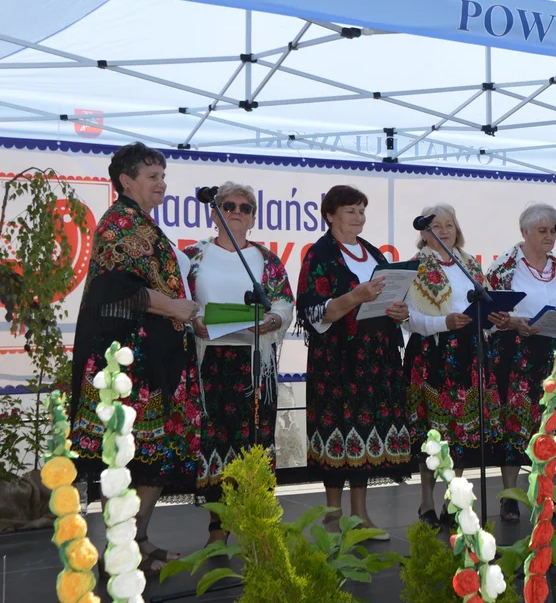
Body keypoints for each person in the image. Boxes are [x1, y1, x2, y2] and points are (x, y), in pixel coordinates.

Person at [69, 142, 201, 576]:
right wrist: (174, 307)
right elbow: (118, 290)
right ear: (126, 181)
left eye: (163, 175)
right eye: (152, 176)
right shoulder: (118, 225)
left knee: (151, 455)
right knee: (122, 458)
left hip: (152, 360)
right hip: (125, 362)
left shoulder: (142, 222)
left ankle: (139, 542)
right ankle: (120, 550)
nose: (162, 183)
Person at [296, 185, 412, 537]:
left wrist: (399, 309)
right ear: (330, 215)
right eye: (350, 210)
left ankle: (361, 516)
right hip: (337, 361)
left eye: (361, 210)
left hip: (376, 358)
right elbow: (313, 311)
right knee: (336, 434)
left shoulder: (373, 253)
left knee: (364, 435)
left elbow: (390, 296)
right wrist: (354, 296)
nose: (358, 217)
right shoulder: (319, 255)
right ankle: (333, 517)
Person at [185, 182, 294, 544]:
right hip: (209, 364)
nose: (236, 211)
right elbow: (179, 301)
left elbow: (283, 302)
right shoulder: (193, 257)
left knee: (254, 444)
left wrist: (275, 321)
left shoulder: (265, 259)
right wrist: (193, 320)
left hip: (253, 365)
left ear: (253, 217)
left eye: (245, 207)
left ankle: (256, 528)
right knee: (214, 446)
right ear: (213, 213)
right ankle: (217, 533)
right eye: (228, 205)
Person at [487, 203, 556, 522]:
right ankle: (509, 497)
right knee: (516, 425)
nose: (549, 237)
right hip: (517, 356)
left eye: (552, 231)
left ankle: (545, 494)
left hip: (555, 354)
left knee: (549, 425)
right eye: (542, 231)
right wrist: (515, 322)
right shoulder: (504, 267)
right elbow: (491, 314)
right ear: (524, 232)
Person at [405, 203, 497, 527]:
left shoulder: (469, 263)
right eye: (436, 226)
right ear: (423, 232)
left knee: (461, 434)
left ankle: (453, 499)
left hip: (469, 353)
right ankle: (426, 502)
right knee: (432, 433)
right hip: (432, 353)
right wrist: (443, 321)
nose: (444, 231)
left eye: (450, 225)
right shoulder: (416, 266)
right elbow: (408, 318)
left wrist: (493, 319)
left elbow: (483, 308)